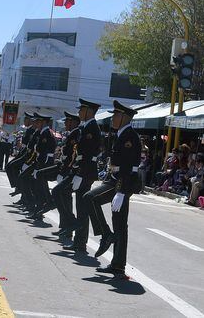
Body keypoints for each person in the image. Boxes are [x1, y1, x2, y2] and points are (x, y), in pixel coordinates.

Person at [84, 100, 141, 278]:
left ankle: (107, 236)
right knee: (119, 224)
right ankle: (117, 264)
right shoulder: (120, 135)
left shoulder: (129, 137)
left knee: (90, 198)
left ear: (124, 117)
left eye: (116, 115)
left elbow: (129, 167)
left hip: (121, 183)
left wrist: (121, 191)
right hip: (114, 179)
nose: (113, 118)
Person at [59, 99, 102, 253]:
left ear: (89, 111)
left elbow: (89, 155)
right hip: (81, 171)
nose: (79, 113)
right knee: (78, 205)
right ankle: (77, 238)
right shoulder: (85, 127)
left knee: (81, 208)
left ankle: (79, 241)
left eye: (81, 110)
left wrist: (80, 174)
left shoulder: (92, 128)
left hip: (86, 172)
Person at [47, 111, 81, 237]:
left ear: (74, 122)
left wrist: (65, 169)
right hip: (65, 168)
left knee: (65, 198)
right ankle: (65, 226)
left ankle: (68, 227)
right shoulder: (71, 134)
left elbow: (73, 156)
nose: (66, 123)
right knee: (64, 198)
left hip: (69, 169)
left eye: (68, 121)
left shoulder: (77, 133)